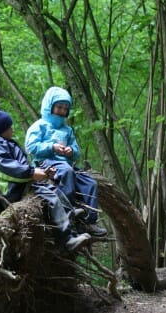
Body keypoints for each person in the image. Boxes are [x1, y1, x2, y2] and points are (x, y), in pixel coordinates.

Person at [0, 107, 90, 252]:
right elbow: (9, 169)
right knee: (51, 198)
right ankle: (66, 239)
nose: (12, 129)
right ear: (1, 130)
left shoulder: (4, 143)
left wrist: (42, 173)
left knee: (53, 190)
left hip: (22, 183)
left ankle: (69, 213)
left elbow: (19, 166)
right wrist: (32, 173)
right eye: (9, 127)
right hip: (12, 190)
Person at [25, 86, 107, 237]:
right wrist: (51, 147)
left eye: (65, 108)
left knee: (90, 182)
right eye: (59, 107)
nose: (62, 111)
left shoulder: (67, 130)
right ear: (50, 106)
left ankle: (90, 222)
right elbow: (31, 147)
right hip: (45, 163)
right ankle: (68, 215)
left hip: (67, 164)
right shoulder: (39, 126)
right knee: (66, 171)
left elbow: (76, 152)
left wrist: (71, 151)